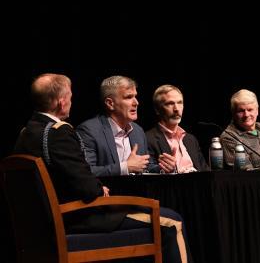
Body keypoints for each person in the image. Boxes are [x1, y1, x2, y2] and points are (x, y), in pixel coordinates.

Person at [15, 73, 191, 263]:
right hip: (78, 217)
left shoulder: (26, 132)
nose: (136, 102)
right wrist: (100, 189)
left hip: (41, 224)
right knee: (173, 221)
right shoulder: (60, 132)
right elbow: (84, 181)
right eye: (71, 97)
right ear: (61, 102)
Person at [76, 75, 158, 176]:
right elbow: (86, 172)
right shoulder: (89, 131)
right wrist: (125, 167)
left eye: (135, 96)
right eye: (128, 97)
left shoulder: (138, 131)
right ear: (110, 103)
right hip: (110, 191)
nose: (136, 102)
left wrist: (162, 168)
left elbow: (145, 166)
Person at [146, 84, 209, 173]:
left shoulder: (190, 139)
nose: (176, 109)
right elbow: (147, 171)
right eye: (170, 104)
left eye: (179, 103)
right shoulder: (148, 139)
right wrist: (165, 169)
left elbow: (205, 170)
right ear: (157, 109)